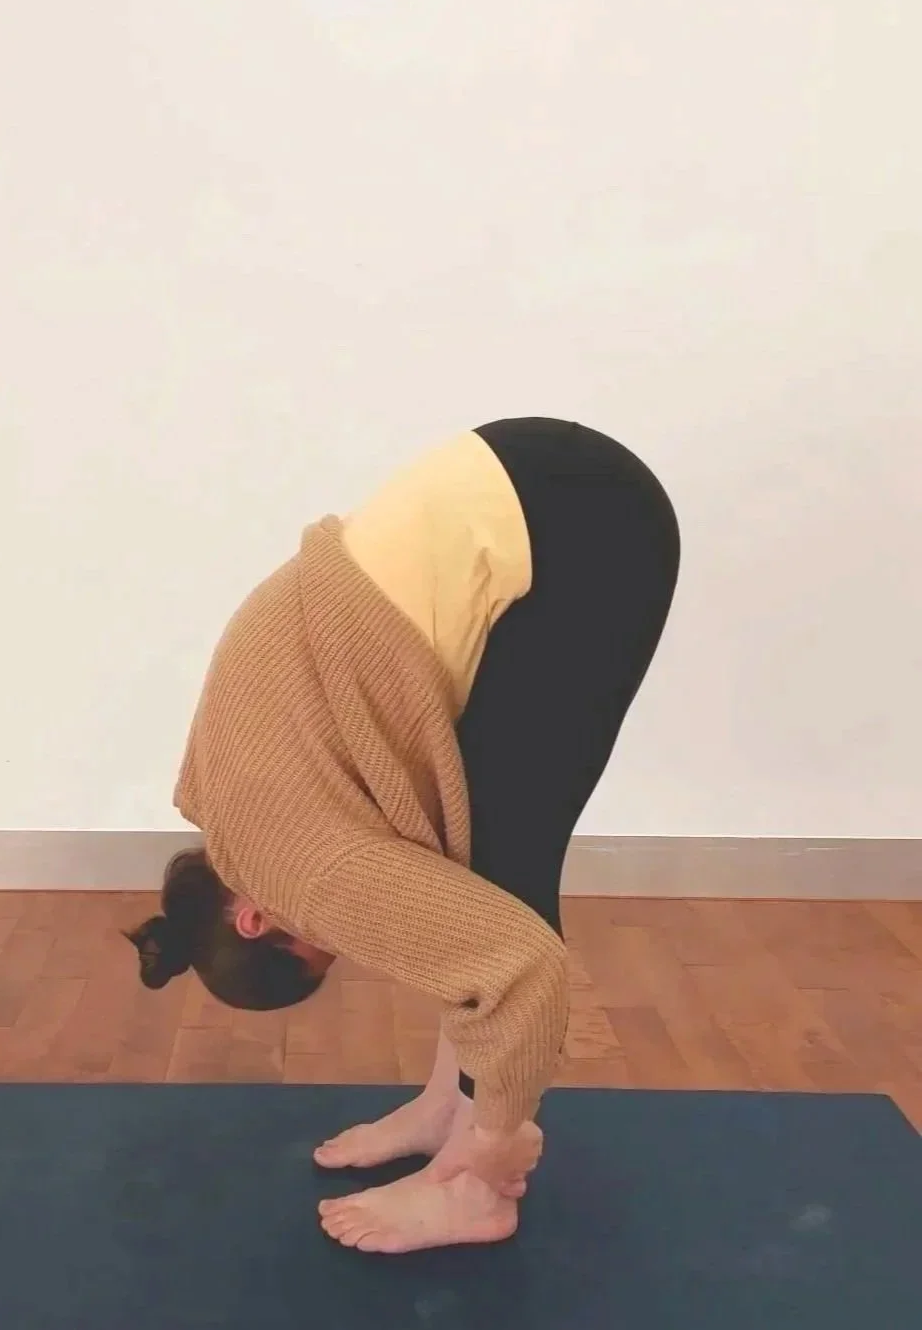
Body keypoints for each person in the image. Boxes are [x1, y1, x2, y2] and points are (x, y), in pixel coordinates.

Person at [125, 417, 680, 1253]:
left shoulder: (301, 870)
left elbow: (520, 966)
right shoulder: (215, 790)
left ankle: (478, 1181)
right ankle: (441, 1107)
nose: (343, 939)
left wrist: (503, 1129)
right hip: (529, 475)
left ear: (255, 919)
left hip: (579, 526)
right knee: (473, 880)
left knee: (504, 890)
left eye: (323, 950)